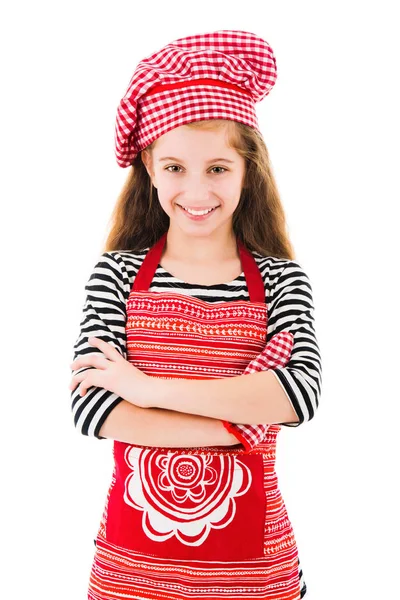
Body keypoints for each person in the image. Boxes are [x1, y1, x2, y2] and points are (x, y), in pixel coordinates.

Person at [69, 30, 322, 600]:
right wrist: (230, 430)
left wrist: (144, 386)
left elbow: (297, 395)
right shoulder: (118, 274)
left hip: (255, 572)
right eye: (175, 167)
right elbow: (93, 408)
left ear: (246, 170)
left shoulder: (281, 279)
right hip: (133, 572)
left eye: (216, 168)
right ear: (150, 171)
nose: (195, 189)